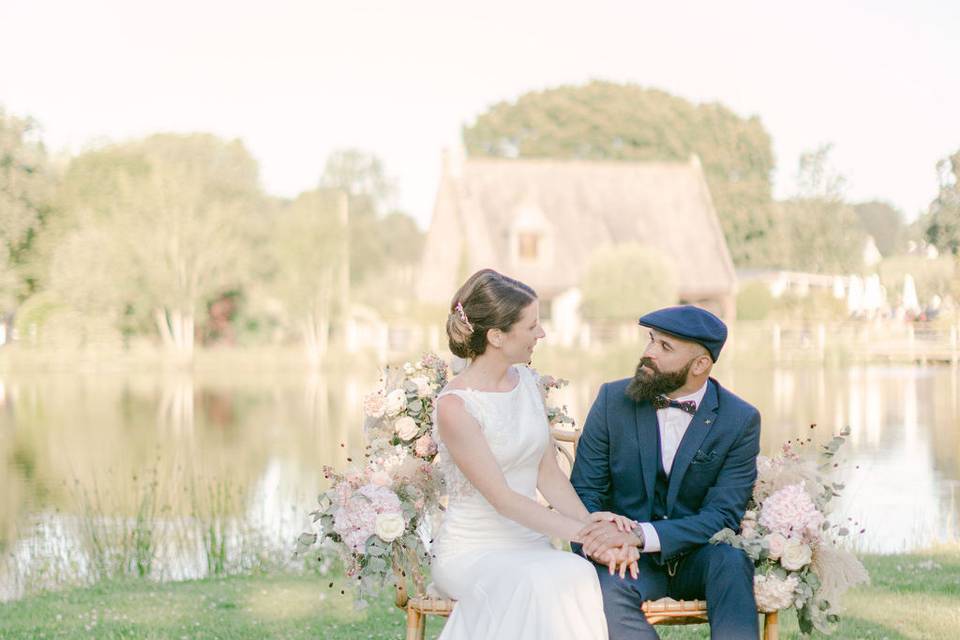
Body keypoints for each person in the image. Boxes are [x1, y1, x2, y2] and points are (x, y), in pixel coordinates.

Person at [430, 269, 635, 640]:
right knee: (535, 581)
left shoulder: (527, 382)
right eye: (532, 326)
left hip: (529, 543)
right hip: (473, 550)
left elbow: (548, 474)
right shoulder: (456, 407)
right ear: (496, 336)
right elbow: (503, 499)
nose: (541, 334)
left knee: (575, 572)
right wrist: (589, 537)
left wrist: (590, 525)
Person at [572, 305, 761, 640]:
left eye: (664, 347)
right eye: (651, 341)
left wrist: (642, 536)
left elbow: (723, 515)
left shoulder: (739, 419)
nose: (648, 353)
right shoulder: (611, 400)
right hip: (626, 560)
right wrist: (603, 543)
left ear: (700, 364)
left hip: (699, 556)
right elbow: (584, 493)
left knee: (732, 563)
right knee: (605, 586)